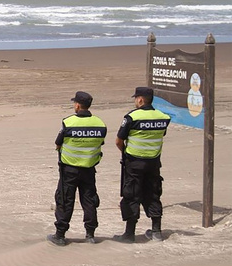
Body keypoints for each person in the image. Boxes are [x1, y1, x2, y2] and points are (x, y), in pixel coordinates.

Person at [47, 91, 107, 246]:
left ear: (78, 105)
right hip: (89, 169)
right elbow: (99, 143)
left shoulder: (69, 122)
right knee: (89, 201)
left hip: (69, 170)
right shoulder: (100, 124)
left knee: (65, 200)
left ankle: (60, 235)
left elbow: (58, 143)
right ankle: (90, 235)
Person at [114, 87, 171, 243]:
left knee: (132, 195)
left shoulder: (132, 117)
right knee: (153, 194)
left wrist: (125, 153)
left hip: (134, 163)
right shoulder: (163, 117)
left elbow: (119, 141)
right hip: (153, 162)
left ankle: (129, 234)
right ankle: (156, 231)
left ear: (140, 100)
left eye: (136, 98)